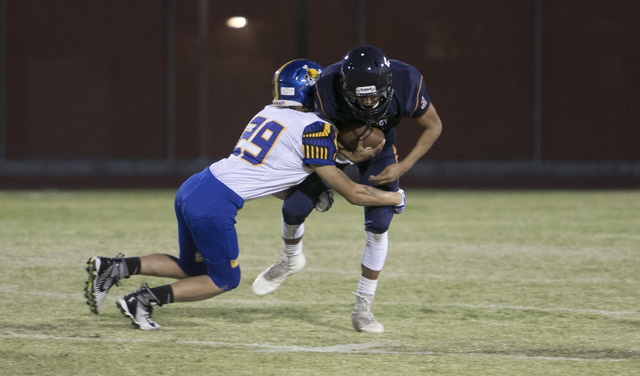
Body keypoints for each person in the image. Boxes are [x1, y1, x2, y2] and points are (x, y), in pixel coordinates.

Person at [83, 59, 406, 330]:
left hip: (196, 186)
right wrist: (395, 198)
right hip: (214, 204)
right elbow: (351, 192)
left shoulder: (267, 112)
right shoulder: (315, 128)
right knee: (224, 279)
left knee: (193, 267)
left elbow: (267, 175)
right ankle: (142, 302)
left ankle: (115, 267)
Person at [252, 45, 442, 333]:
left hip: (379, 145)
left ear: (388, 84)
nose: (368, 105)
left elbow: (434, 126)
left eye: (374, 97)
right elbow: (317, 136)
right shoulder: (327, 86)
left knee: (379, 223)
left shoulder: (407, 80)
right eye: (360, 98)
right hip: (335, 141)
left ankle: (363, 306)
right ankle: (290, 259)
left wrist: (402, 167)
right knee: (294, 207)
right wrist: (342, 160)